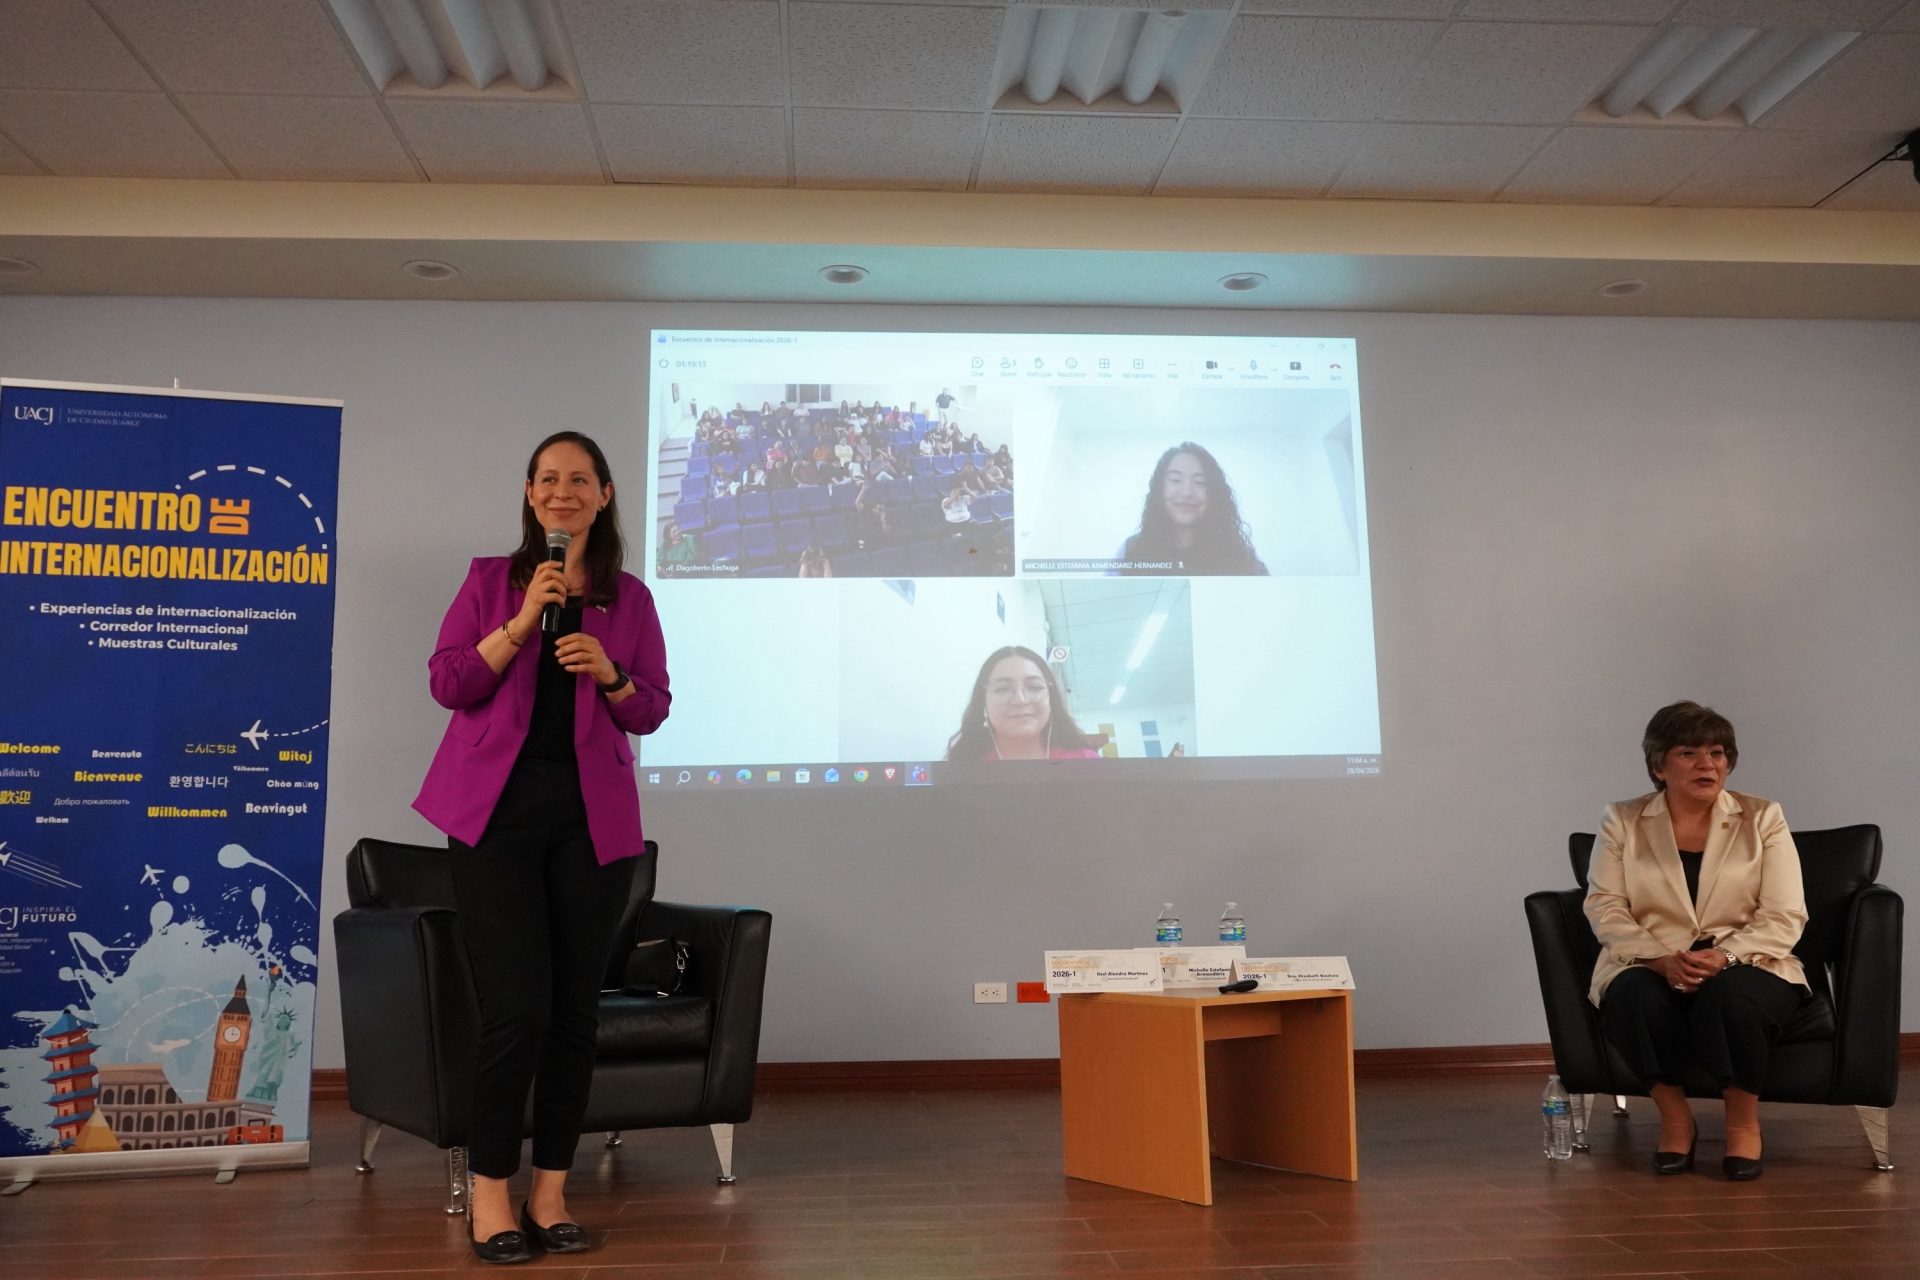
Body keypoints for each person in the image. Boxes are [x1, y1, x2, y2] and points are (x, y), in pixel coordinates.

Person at [413, 431, 670, 1262]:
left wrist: (612, 675)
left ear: (605, 495)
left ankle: (551, 1191)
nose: (564, 492)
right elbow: (449, 682)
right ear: (531, 494)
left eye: (580, 480)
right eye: (549, 478)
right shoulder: (493, 580)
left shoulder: (630, 599)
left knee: (572, 1015)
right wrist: (523, 622)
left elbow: (652, 707)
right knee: (516, 1008)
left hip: (592, 823)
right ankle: (491, 1191)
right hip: (495, 818)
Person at [1584, 701, 1808, 1182]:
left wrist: (1726, 956)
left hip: (1750, 960)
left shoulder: (1762, 817)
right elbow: (1604, 905)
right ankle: (1675, 1119)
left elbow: (1785, 912)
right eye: (1688, 753)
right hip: (1650, 959)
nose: (1707, 764)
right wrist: (1659, 958)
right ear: (1658, 766)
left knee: (1733, 997)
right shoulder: (1621, 820)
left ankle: (1742, 1124)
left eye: (1717, 753)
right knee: (1632, 996)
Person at [1116, 442, 1268, 576]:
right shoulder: (1130, 551)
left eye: (1200, 482)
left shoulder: (1241, 557)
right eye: (1176, 480)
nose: (1187, 492)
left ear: (1214, 492)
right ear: (1159, 489)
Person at [944, 646, 1099, 762]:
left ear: (1051, 699)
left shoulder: (1086, 763)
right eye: (1003, 689)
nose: (1020, 700)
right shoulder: (960, 770)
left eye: (1034, 687)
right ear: (983, 701)